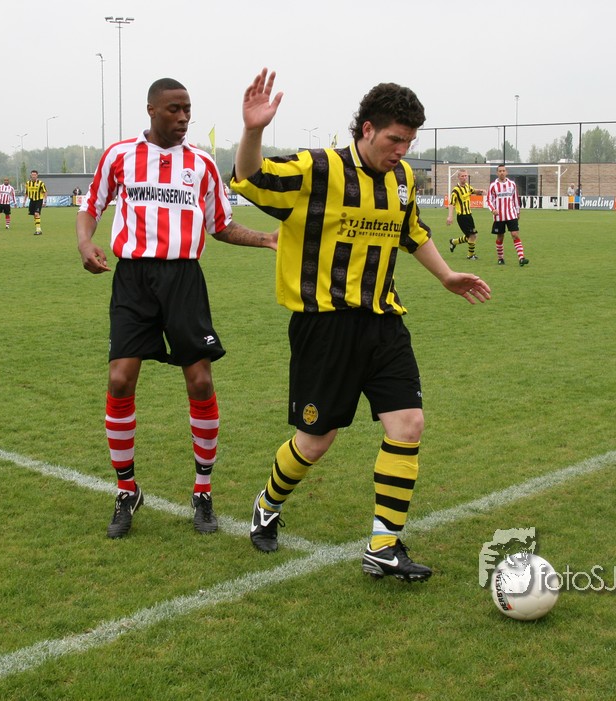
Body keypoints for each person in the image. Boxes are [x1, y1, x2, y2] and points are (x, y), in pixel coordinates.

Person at [232, 68, 491, 582]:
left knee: (408, 425)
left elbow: (413, 232)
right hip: (324, 326)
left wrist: (446, 275)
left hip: (383, 321)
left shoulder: (402, 179)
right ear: (367, 129)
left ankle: (383, 546)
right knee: (315, 441)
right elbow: (252, 178)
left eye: (409, 141)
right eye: (395, 139)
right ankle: (268, 502)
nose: (402, 150)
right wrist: (253, 130)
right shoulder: (318, 168)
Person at [77, 77, 277, 539]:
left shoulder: (201, 164)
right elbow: (91, 205)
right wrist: (85, 242)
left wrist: (265, 238)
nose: (184, 117)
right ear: (151, 110)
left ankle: (203, 492)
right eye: (174, 109)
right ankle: (126, 490)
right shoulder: (119, 156)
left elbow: (220, 225)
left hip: (184, 279)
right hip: (133, 280)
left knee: (200, 380)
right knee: (120, 379)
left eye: (187, 109)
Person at [486, 164, 529, 266]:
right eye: (500, 171)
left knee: (515, 234)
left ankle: (521, 258)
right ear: (497, 173)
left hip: (511, 214)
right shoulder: (493, 186)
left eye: (503, 171)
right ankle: (500, 258)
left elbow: (515, 199)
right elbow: (488, 200)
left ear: (506, 172)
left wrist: (518, 211)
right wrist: (493, 209)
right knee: (500, 237)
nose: (502, 173)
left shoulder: (512, 184)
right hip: (499, 216)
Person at [446, 169, 483, 260]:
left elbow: (473, 191)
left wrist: (481, 191)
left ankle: (454, 242)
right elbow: (451, 204)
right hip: (462, 217)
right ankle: (470, 255)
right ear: (458, 177)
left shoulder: (467, 186)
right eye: (462, 176)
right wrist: (450, 216)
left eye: (465, 176)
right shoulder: (456, 190)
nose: (464, 177)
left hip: (469, 215)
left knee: (470, 236)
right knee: (473, 235)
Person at [25, 170, 47, 235]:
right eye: (32, 175)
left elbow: (45, 192)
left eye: (35, 175)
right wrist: (24, 201)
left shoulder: (41, 183)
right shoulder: (28, 183)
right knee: (34, 215)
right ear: (31, 175)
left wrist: (45, 201)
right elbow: (26, 192)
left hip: (39, 200)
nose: (33, 176)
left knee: (36, 213)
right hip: (32, 200)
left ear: (37, 175)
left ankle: (38, 230)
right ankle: (38, 229)